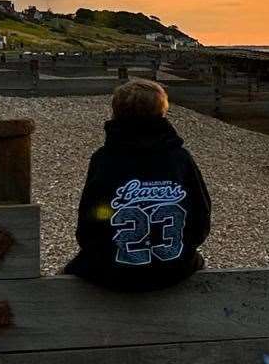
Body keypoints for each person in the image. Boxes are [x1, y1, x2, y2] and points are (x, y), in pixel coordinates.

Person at [65, 77, 212, 290]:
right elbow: (201, 213)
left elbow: (91, 218)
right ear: (163, 112)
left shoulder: (105, 159)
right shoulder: (180, 158)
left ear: (115, 113)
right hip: (174, 267)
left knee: (64, 279)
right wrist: (184, 247)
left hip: (113, 270)